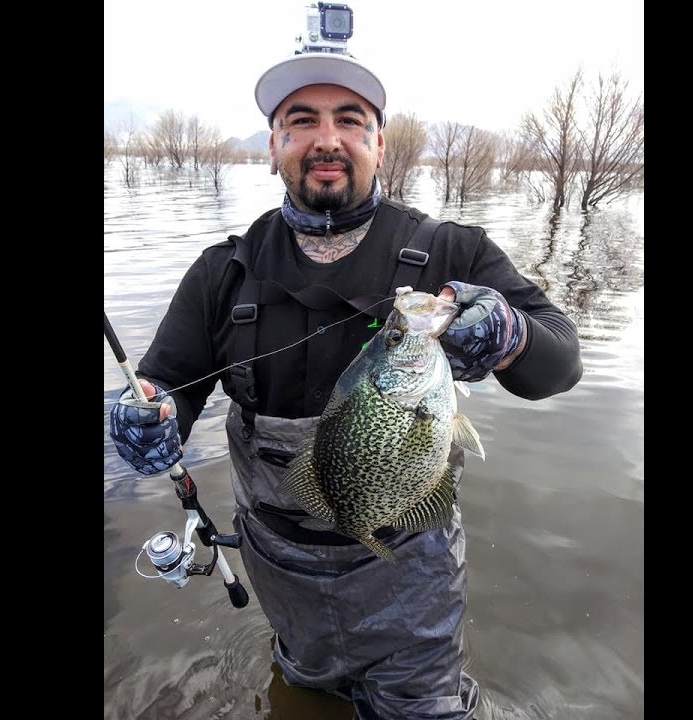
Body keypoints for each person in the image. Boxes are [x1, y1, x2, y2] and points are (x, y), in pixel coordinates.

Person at [108, 51, 582, 720]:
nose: (327, 139)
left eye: (351, 121)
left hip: (410, 572)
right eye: (301, 121)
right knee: (300, 692)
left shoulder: (453, 253)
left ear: (379, 144)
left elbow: (560, 365)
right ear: (274, 147)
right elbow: (170, 387)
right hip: (278, 564)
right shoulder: (222, 272)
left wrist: (508, 331)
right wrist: (145, 415)